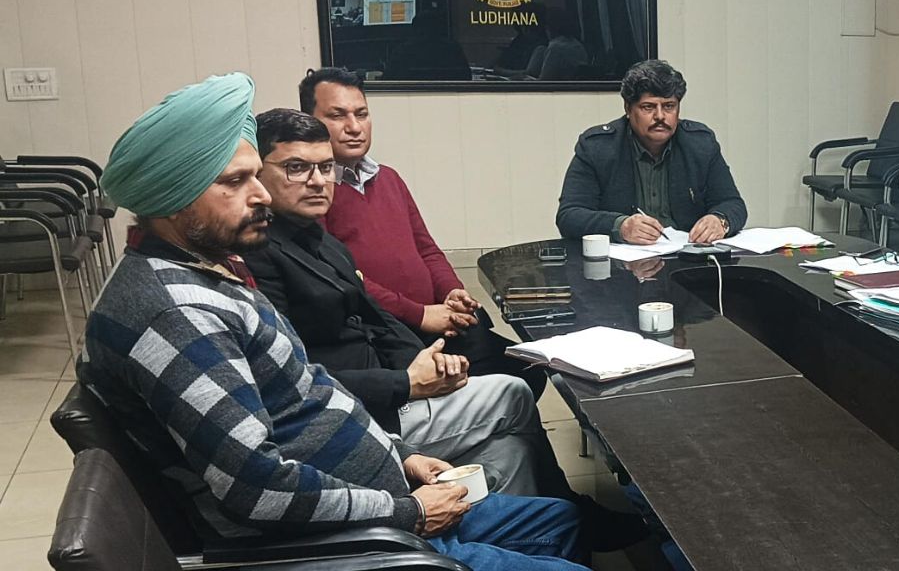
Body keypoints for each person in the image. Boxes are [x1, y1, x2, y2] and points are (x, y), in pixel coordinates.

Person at [83, 72, 586, 570]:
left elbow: (305, 388)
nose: (261, 195)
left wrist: (400, 453)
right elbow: (255, 489)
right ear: (172, 198)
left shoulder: (211, 269)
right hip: (348, 541)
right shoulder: (178, 314)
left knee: (563, 521)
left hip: (379, 494)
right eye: (235, 182)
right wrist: (409, 512)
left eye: (256, 175)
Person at [243, 109, 564, 499]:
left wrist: (425, 361)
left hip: (391, 381)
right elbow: (292, 377)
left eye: (325, 168)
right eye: (296, 168)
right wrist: (405, 383)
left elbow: (377, 317)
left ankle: (538, 523)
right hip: (357, 413)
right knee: (513, 393)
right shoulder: (258, 254)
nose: (317, 181)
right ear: (257, 173)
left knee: (509, 452)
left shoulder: (322, 240)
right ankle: (569, 505)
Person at [300, 68, 544, 396]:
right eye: (337, 115)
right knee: (508, 385)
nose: (354, 127)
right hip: (392, 333)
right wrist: (421, 314)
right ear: (310, 122)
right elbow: (341, 279)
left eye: (362, 114)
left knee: (529, 368)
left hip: (436, 317)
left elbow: (426, 248)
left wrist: (452, 291)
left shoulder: (388, 178)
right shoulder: (313, 192)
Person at [556, 59, 747, 244]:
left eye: (669, 106)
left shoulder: (700, 144)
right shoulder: (598, 147)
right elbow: (569, 216)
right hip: (622, 260)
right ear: (628, 109)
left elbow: (732, 203)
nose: (660, 116)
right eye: (648, 107)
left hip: (687, 257)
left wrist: (720, 220)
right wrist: (620, 226)